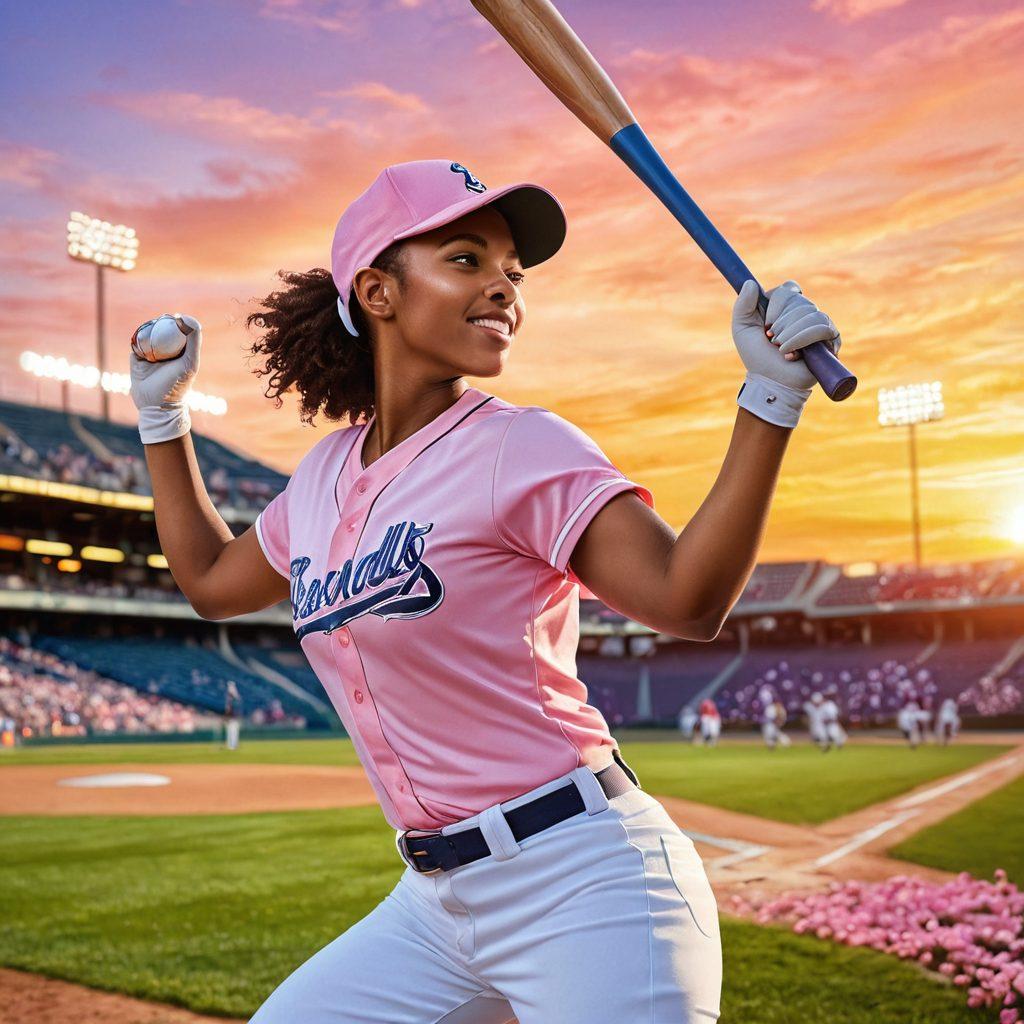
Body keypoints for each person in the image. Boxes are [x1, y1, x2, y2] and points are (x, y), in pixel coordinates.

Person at [129, 157, 841, 1023]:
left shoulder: (522, 446)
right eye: (466, 259)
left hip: (588, 884)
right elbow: (212, 583)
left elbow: (685, 599)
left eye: (513, 272)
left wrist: (769, 398)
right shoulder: (320, 477)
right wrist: (163, 419)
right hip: (434, 906)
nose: (504, 286)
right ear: (378, 292)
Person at [224, 680, 241, 751]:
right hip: (231, 718)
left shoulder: (233, 699)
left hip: (233, 718)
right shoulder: (230, 699)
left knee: (233, 733)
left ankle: (233, 745)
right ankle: (231, 745)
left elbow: (230, 709)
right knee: (231, 733)